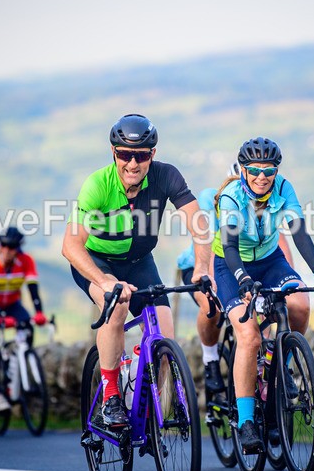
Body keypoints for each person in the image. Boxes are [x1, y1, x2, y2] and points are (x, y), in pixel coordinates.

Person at [62, 113, 211, 428]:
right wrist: (102, 280)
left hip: (141, 262)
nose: (133, 163)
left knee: (166, 336)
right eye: (125, 155)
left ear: (152, 155)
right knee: (116, 305)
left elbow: (198, 223)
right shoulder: (97, 185)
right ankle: (112, 397)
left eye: (141, 155)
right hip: (97, 262)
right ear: (113, 153)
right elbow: (71, 246)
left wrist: (201, 267)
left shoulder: (165, 176)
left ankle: (150, 399)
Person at [212, 137, 314, 453]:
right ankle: (246, 422)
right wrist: (241, 278)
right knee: (250, 336)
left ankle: (283, 367)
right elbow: (228, 246)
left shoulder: (283, 188)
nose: (261, 177)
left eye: (268, 170)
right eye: (254, 170)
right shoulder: (231, 195)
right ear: (243, 169)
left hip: (270, 260)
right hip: (232, 264)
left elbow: (298, 231)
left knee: (299, 304)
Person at [176, 162, 294, 395]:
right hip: (199, 264)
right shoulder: (215, 200)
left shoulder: (263, 204)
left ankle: (264, 371)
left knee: (263, 306)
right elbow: (211, 242)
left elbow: (278, 242)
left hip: (242, 264)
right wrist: (217, 287)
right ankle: (210, 360)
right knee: (212, 306)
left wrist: (286, 280)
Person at [0, 226, 49, 412]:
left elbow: (33, 289)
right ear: (0, 245)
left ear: (18, 248)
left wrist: (39, 312)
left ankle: (18, 359)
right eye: (4, 245)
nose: (7, 250)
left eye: (12, 247)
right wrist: (0, 318)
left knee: (28, 328)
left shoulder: (26, 261)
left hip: (12, 303)